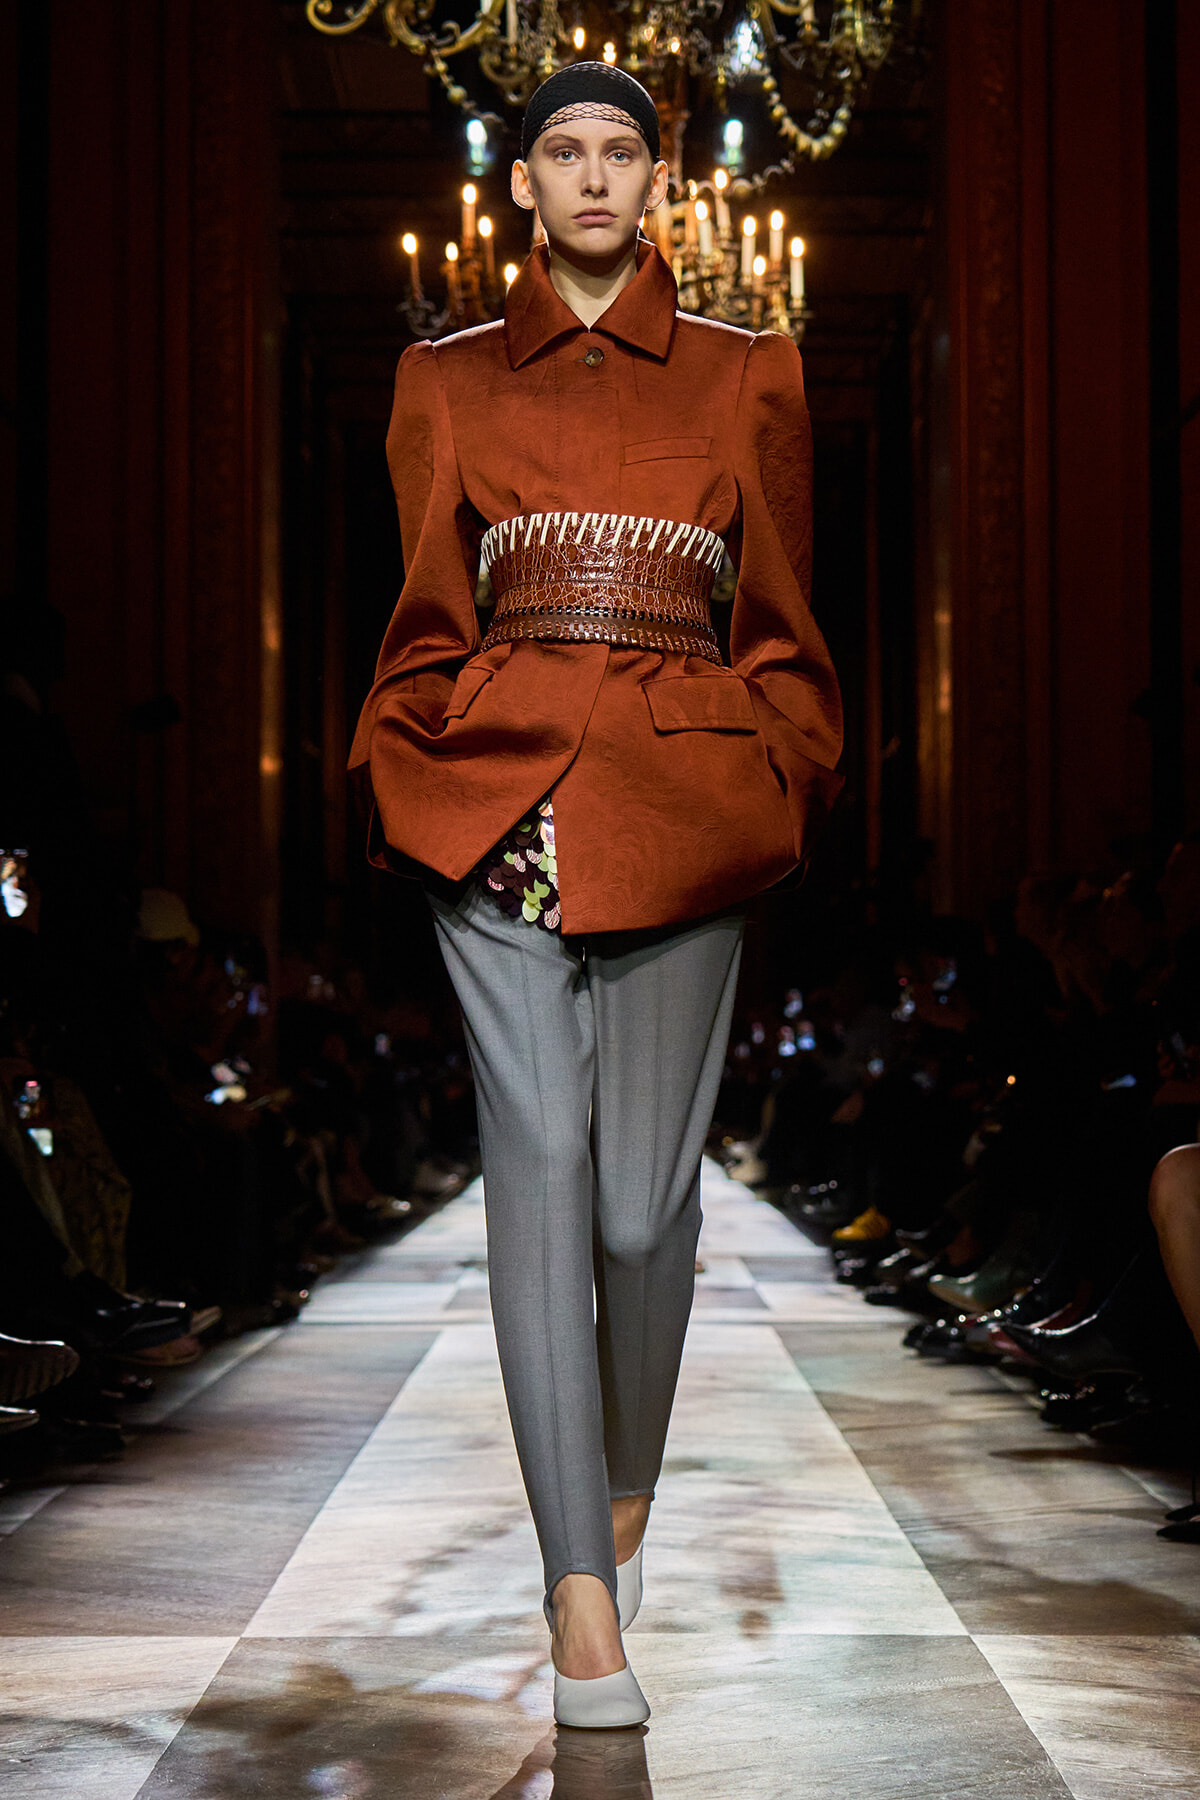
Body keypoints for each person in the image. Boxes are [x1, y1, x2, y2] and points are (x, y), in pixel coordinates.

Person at [348, 61, 843, 1727]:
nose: (590, 177)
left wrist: (778, 765)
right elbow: (425, 607)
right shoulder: (447, 378)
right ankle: (580, 1596)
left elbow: (779, 613)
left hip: (689, 806)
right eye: (561, 151)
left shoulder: (749, 369)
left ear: (659, 181)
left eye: (620, 151)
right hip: (492, 804)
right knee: (541, 1170)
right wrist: (410, 758)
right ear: (527, 184)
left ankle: (619, 1493)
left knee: (643, 1212)